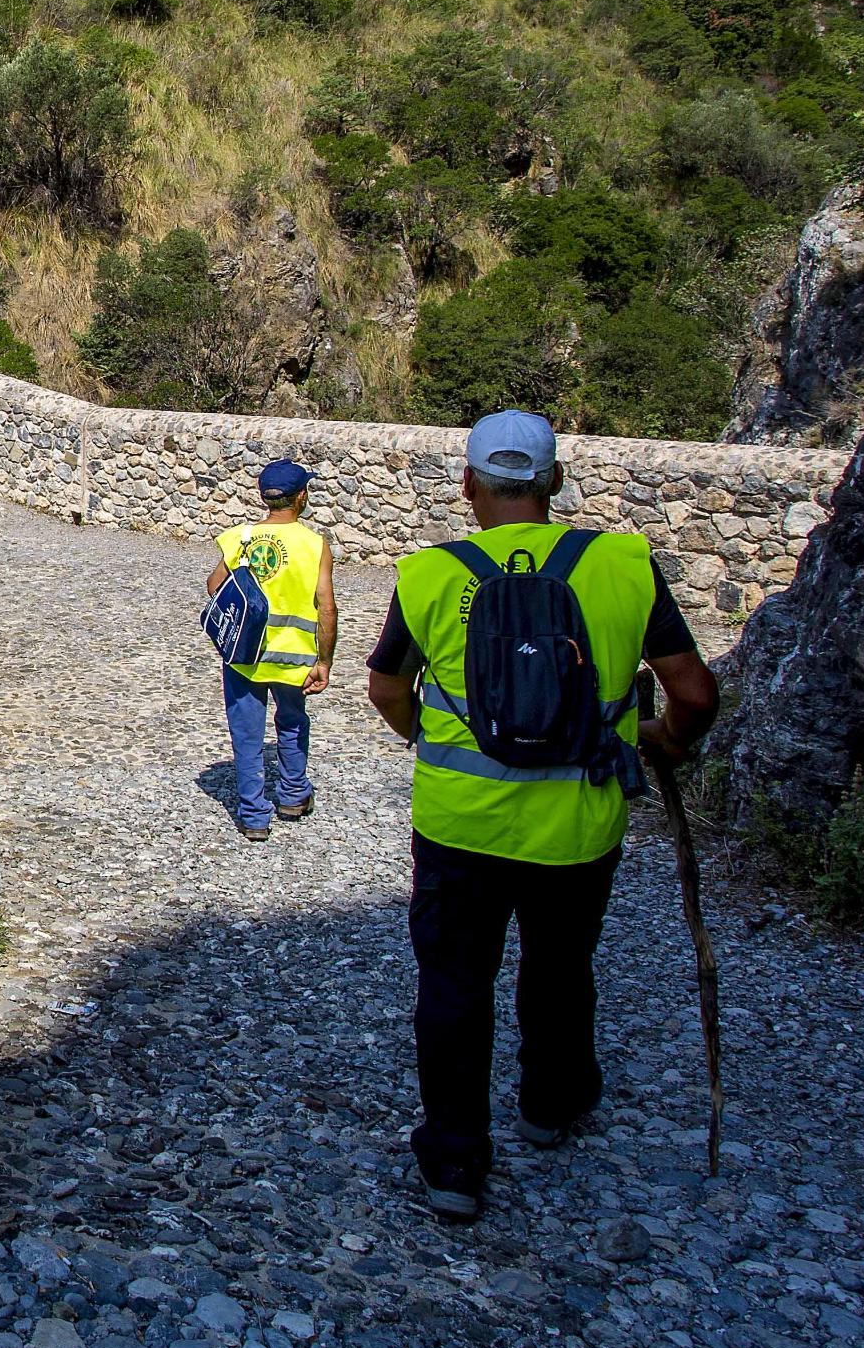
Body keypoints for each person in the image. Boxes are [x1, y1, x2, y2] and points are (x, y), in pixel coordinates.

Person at [363, 410, 719, 1225]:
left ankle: (454, 1162)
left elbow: (386, 689)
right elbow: (695, 691)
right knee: (560, 967)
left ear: (467, 485)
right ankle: (551, 1105)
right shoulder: (623, 563)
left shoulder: (428, 574)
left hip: (460, 828)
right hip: (579, 828)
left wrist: (429, 736)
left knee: (454, 984)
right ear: (555, 481)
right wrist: (662, 738)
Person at [202, 459, 335, 839]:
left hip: (245, 655)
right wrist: (323, 660)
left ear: (265, 497)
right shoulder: (314, 545)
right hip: (293, 656)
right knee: (292, 722)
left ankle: (254, 815)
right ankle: (293, 795)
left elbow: (215, 586)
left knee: (246, 732)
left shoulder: (240, 538)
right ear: (302, 497)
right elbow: (325, 605)